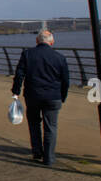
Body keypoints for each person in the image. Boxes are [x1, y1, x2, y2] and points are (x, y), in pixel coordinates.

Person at [11, 30, 70, 165]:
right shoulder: (60, 58)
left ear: (37, 41)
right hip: (53, 96)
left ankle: (37, 152)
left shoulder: (27, 54)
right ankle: (49, 158)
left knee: (34, 123)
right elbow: (65, 80)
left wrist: (16, 91)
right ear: (52, 42)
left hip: (33, 95)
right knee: (51, 127)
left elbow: (19, 74)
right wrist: (63, 96)